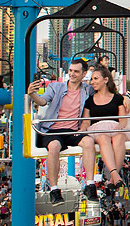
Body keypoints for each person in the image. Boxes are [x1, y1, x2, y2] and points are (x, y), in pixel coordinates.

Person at [27, 59, 97, 203]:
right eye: (70, 71)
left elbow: (104, 89)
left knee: (89, 142)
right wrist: (32, 94)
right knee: (54, 146)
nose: (72, 74)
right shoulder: (55, 87)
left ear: (84, 74)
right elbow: (43, 101)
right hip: (53, 129)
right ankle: (54, 189)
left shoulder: (86, 90)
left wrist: (123, 99)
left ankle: (90, 184)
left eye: (76, 71)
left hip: (73, 130)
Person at [83, 64, 130, 189]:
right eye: (91, 79)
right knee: (103, 138)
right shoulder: (89, 100)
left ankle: (112, 178)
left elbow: (122, 118)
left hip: (114, 127)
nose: (92, 82)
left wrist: (121, 126)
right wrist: (81, 130)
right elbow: (86, 121)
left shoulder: (117, 99)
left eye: (96, 79)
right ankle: (115, 175)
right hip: (98, 129)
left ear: (105, 79)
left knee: (119, 137)